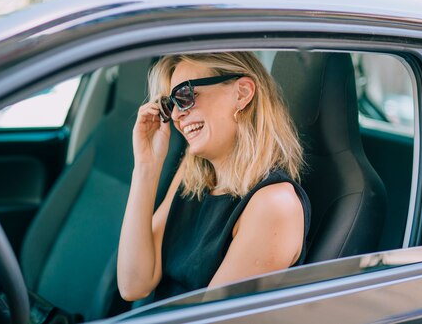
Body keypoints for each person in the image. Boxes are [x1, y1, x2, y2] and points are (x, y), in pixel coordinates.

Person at [117, 52, 310, 302]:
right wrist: (146, 166)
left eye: (185, 96)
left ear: (241, 93)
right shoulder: (192, 177)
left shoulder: (274, 205)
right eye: (170, 105)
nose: (175, 116)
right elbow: (134, 285)